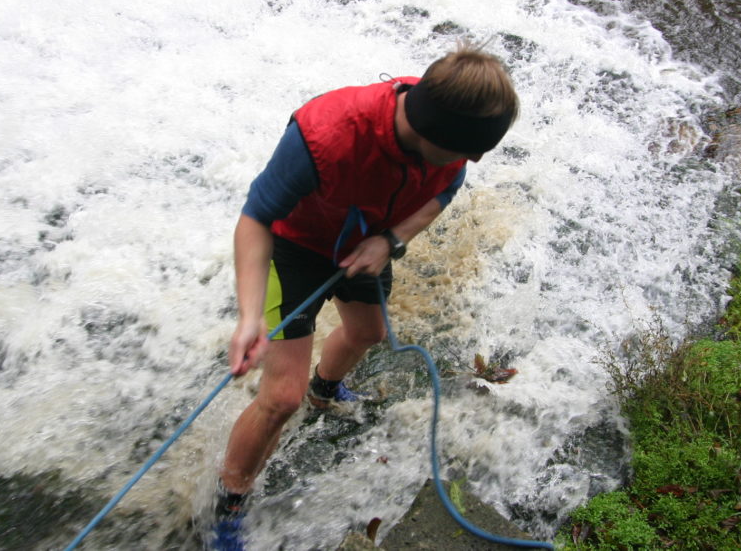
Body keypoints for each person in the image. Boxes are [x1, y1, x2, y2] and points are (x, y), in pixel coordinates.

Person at [210, 43, 519, 550]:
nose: (472, 160)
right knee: (279, 399)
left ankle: (324, 391)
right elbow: (255, 217)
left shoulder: (448, 134)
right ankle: (232, 496)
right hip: (291, 248)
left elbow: (446, 188)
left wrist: (391, 239)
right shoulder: (326, 135)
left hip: (364, 242)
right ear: (427, 132)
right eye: (465, 150)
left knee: (367, 333)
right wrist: (248, 318)